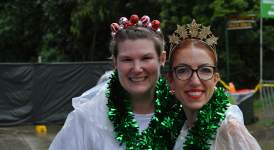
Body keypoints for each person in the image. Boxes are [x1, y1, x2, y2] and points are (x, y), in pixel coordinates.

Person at [49, 14, 178, 149]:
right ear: (115, 63)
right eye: (127, 60)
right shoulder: (86, 119)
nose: (137, 68)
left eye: (146, 58)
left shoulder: (183, 116)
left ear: (162, 59)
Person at [167, 20, 261, 150]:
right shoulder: (176, 127)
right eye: (183, 70)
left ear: (215, 78)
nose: (195, 81)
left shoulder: (229, 128)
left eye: (205, 70)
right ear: (171, 80)